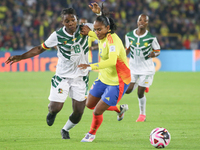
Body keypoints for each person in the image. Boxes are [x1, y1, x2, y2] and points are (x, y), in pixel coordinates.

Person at [5, 8, 93, 139]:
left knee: (79, 112)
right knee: (55, 108)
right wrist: (21, 57)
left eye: (73, 20)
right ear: (63, 22)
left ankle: (65, 129)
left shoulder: (86, 29)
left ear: (77, 20)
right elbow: (40, 48)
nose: (70, 23)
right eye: (67, 21)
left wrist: (99, 14)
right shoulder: (57, 35)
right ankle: (52, 113)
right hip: (63, 76)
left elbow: (105, 28)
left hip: (81, 76)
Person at [78, 2, 131, 142]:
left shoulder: (112, 41)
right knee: (89, 104)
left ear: (108, 28)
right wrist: (90, 29)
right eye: (95, 30)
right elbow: (98, 32)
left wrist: (90, 66)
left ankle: (91, 134)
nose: (96, 32)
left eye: (99, 30)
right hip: (104, 78)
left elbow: (112, 61)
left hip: (118, 82)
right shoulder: (102, 35)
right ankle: (119, 109)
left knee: (97, 111)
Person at [125, 14, 161, 122]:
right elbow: (128, 49)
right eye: (140, 20)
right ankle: (144, 84)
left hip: (146, 69)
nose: (142, 22)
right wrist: (121, 57)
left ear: (147, 23)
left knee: (140, 92)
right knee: (128, 90)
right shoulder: (129, 35)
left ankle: (142, 115)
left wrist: (153, 54)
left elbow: (157, 50)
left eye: (144, 21)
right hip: (133, 67)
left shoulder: (151, 38)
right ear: (137, 22)